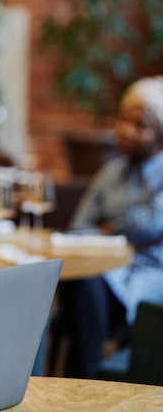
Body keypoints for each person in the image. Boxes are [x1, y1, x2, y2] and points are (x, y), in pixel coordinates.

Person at [57, 75, 163, 378]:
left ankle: (80, 377)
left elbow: (151, 223)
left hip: (150, 269)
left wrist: (108, 227)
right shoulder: (111, 171)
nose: (127, 132)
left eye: (141, 126)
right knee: (85, 277)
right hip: (106, 274)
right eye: (124, 121)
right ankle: (86, 377)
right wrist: (118, 233)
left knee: (85, 282)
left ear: (160, 135)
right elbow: (78, 226)